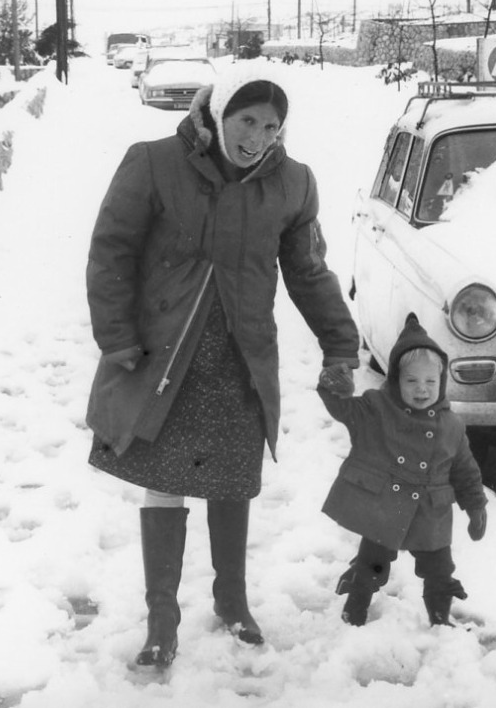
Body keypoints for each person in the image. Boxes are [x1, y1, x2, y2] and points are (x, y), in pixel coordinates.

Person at [85, 61, 359, 668]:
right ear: (218, 112)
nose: (258, 137)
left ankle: (232, 601)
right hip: (165, 353)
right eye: (247, 120)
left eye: (271, 126)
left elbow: (308, 273)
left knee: (233, 476)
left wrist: (340, 344)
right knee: (166, 479)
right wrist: (117, 337)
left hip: (240, 353)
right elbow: (112, 253)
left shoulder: (293, 184)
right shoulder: (154, 162)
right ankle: (162, 618)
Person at [317, 312, 487, 628]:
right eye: (411, 380)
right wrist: (333, 387)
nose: (421, 389)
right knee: (372, 564)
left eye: (430, 381)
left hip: (431, 514)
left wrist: (476, 506)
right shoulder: (376, 410)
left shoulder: (451, 425)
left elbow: (465, 471)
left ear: (442, 382)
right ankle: (355, 608)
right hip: (386, 510)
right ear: (396, 379)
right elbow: (344, 409)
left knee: (439, 570)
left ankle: (439, 618)